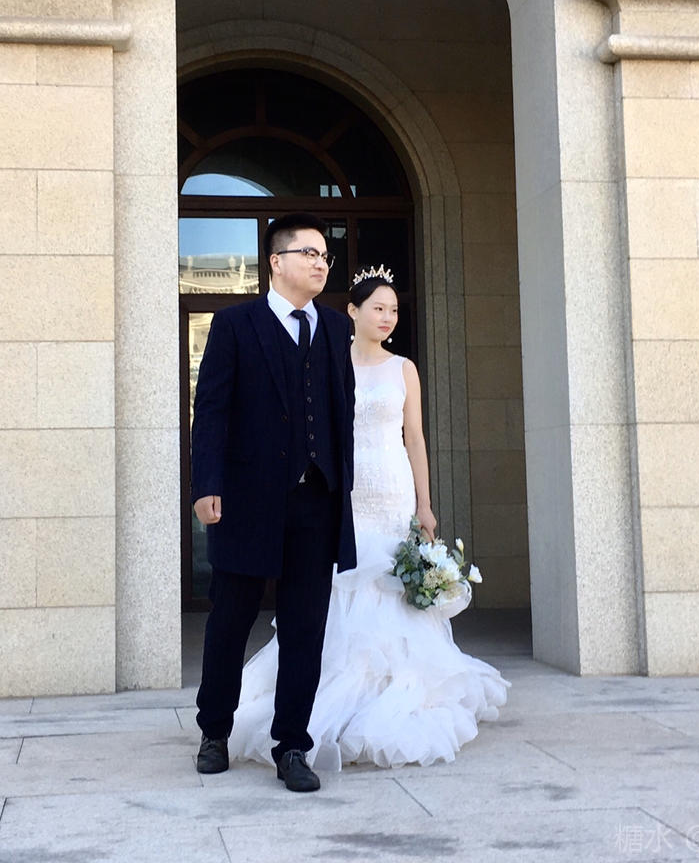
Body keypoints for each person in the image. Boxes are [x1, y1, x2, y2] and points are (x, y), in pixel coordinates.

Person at [229, 266, 508, 771]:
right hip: (345, 489)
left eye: (394, 310)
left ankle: (393, 690)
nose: (387, 317)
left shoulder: (404, 368)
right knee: (339, 585)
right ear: (352, 311)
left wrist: (424, 503)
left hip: (393, 487)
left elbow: (414, 437)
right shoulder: (329, 360)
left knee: (390, 587)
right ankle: (317, 695)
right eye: (377, 308)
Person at [191, 211, 356, 793]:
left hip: (317, 502)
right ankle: (214, 731)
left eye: (325, 256)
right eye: (309, 253)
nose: (320, 263)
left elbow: (340, 412)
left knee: (306, 628)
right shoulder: (234, 324)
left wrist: (343, 489)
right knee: (231, 620)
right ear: (276, 261)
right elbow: (211, 409)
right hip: (246, 500)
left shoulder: (334, 327)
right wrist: (206, 484)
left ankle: (292, 746)